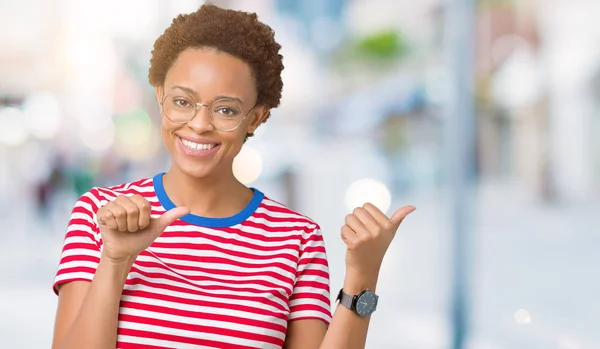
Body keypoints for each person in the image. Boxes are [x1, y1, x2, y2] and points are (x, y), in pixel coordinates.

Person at [51, 4, 415, 349]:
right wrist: (115, 261)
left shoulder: (296, 240)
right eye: (182, 101)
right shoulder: (101, 214)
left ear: (255, 118)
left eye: (226, 109)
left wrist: (362, 277)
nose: (199, 124)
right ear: (161, 96)